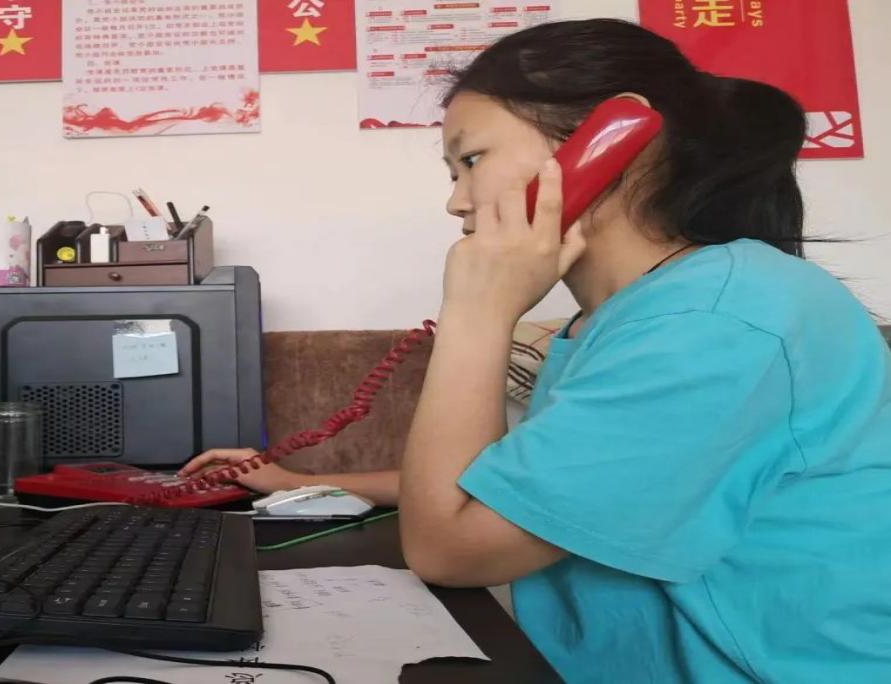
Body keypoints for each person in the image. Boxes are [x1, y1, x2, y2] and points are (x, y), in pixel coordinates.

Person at [182, 18, 891, 683]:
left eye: (471, 160)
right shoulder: (638, 311)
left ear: (614, 139)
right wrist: (302, 481)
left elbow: (450, 551)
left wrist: (478, 310)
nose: (456, 203)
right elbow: (529, 485)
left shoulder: (716, 322)